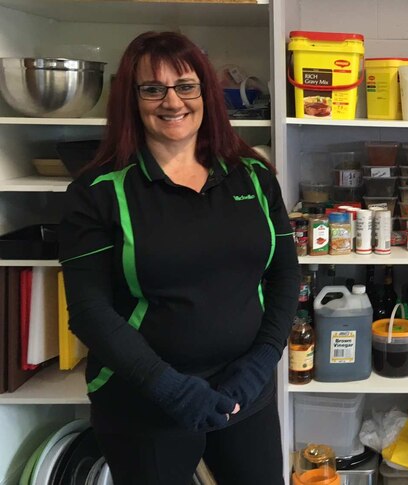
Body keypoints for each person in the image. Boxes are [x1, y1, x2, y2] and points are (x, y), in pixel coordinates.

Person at [58, 31, 298, 485]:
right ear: (132, 99)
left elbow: (285, 275)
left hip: (245, 394)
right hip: (144, 404)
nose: (173, 101)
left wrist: (260, 363)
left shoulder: (254, 176)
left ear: (205, 93)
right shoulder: (98, 193)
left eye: (186, 86)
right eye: (153, 89)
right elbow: (90, 312)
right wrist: (168, 388)